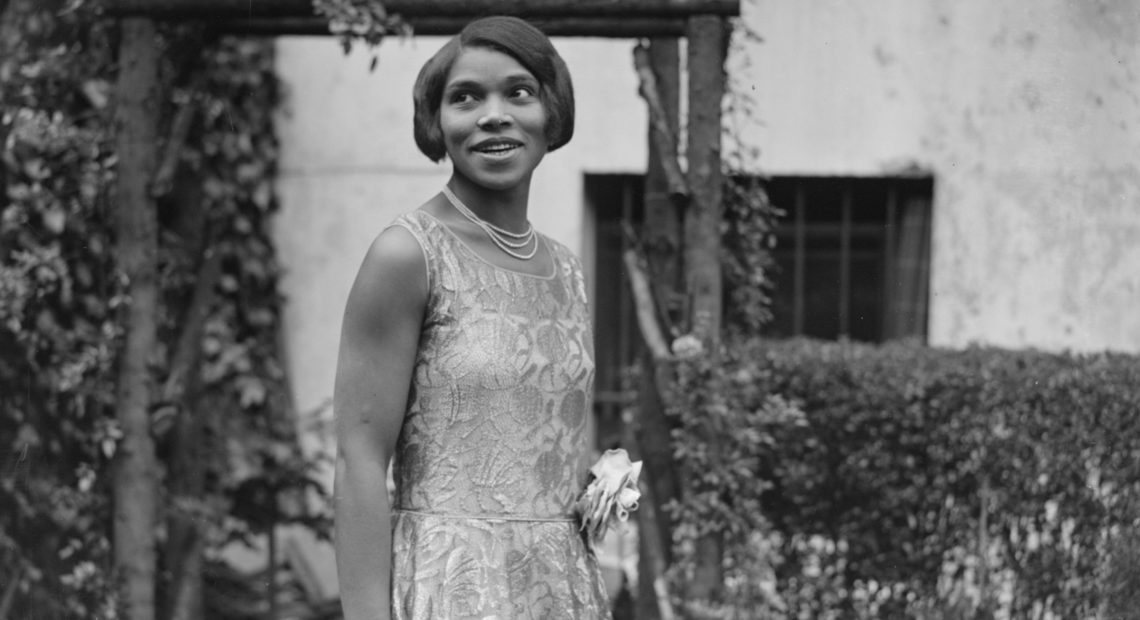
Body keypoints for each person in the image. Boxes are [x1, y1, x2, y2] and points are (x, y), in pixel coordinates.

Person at [333, 16, 612, 620]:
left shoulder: (567, 269)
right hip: (450, 588)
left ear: (552, 112)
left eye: (518, 92)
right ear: (437, 123)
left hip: (559, 590)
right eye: (466, 98)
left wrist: (592, 487)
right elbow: (358, 458)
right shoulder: (407, 255)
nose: (493, 114)